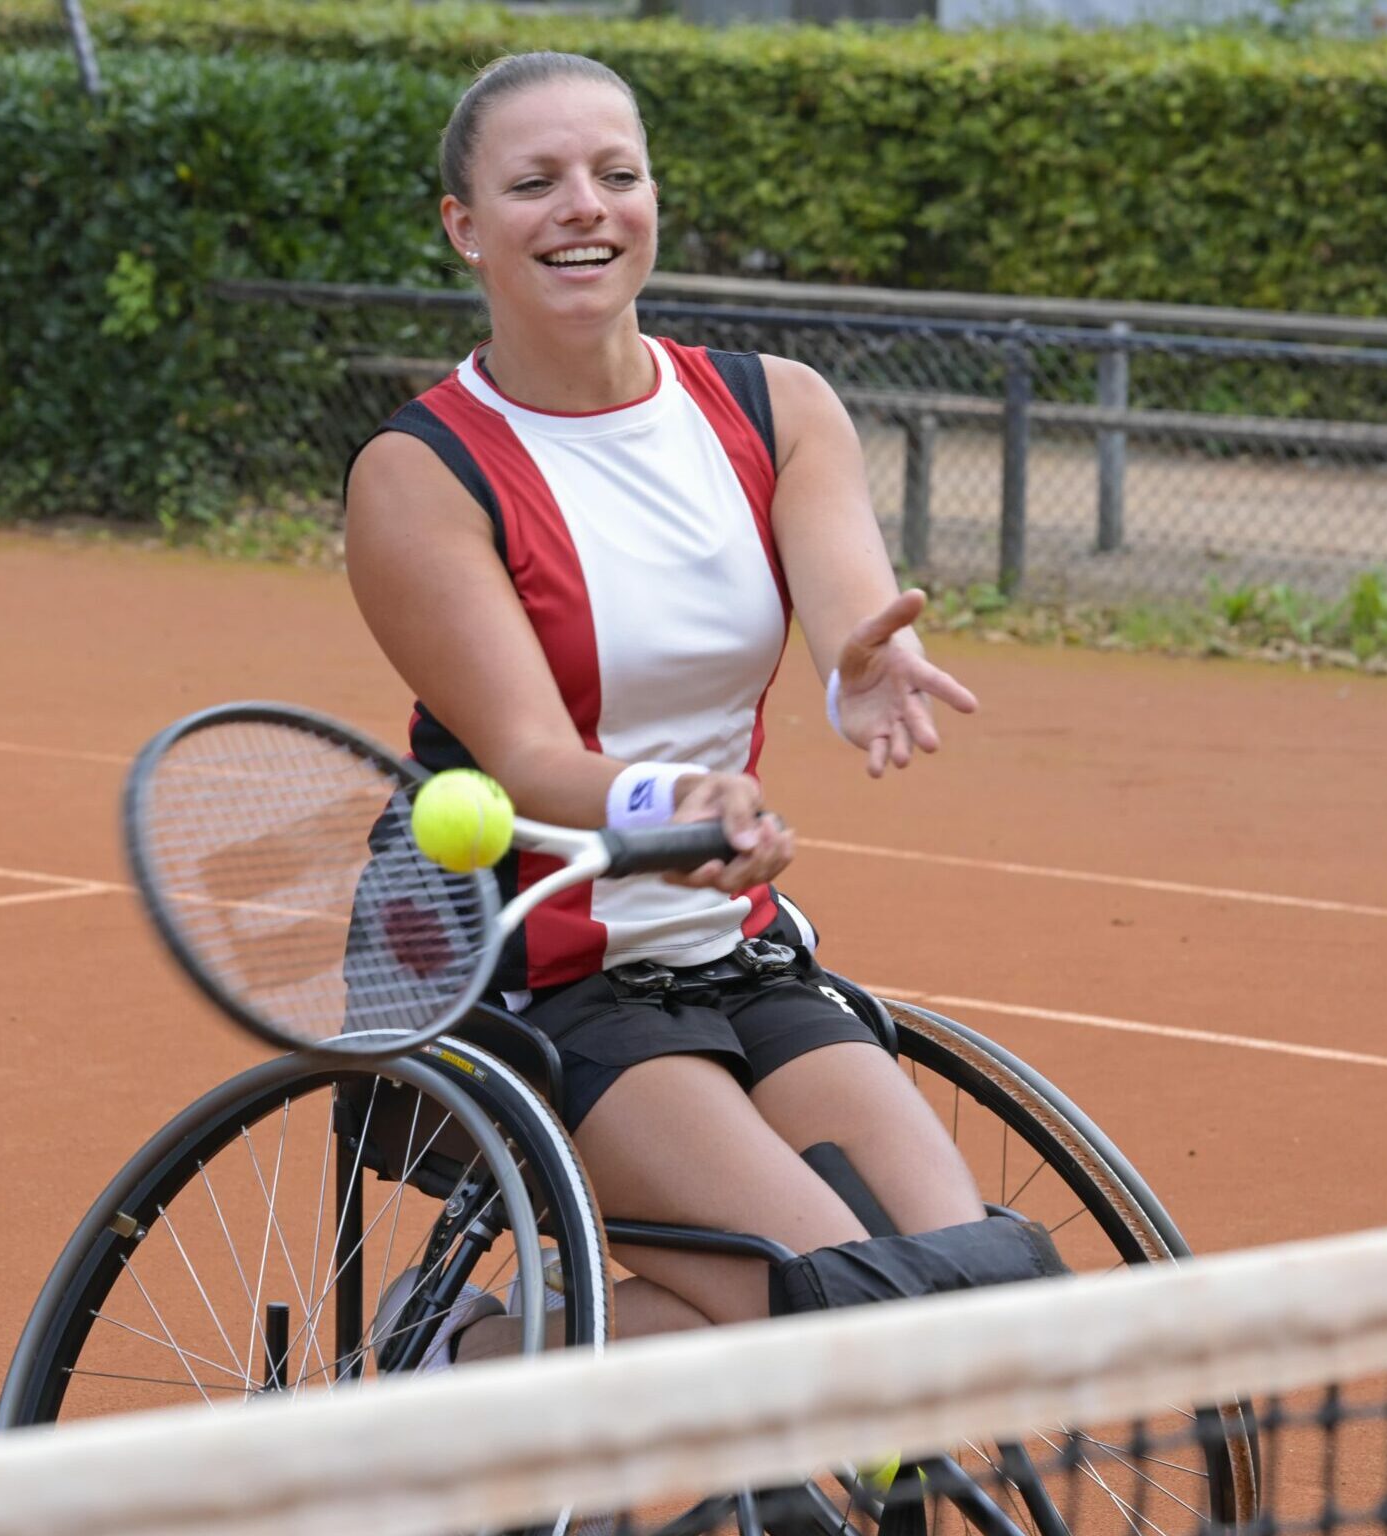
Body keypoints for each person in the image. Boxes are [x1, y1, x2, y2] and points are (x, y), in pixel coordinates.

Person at [343, 51, 1022, 1369]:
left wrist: (860, 669)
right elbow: (532, 757)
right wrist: (679, 804)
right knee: (830, 1311)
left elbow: (850, 615)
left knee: (963, 1294)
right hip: (535, 965)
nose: (584, 205)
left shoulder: (777, 408)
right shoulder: (420, 473)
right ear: (465, 229)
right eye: (535, 182)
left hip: (731, 944)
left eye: (617, 172)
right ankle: (461, 1366)